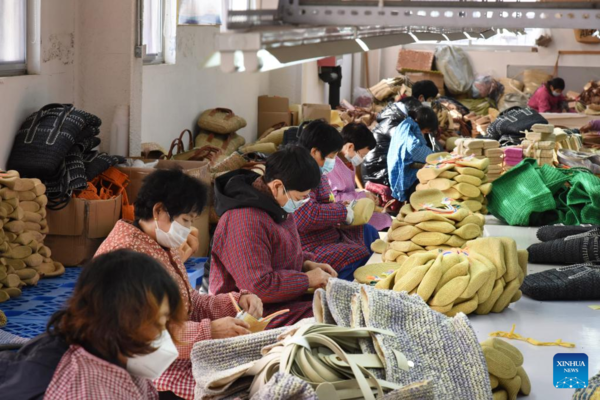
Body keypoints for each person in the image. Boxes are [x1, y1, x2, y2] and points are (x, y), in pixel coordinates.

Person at [96, 168, 263, 400]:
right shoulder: (125, 257)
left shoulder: (160, 245)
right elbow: (144, 336)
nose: (188, 229)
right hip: (145, 371)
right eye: (185, 220)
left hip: (176, 353)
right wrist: (210, 331)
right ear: (158, 210)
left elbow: (189, 300)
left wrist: (234, 302)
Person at [0, 250, 187, 400]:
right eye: (158, 323)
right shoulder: (82, 389)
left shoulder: (104, 351)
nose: (164, 336)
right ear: (120, 318)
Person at [210, 146, 336, 327]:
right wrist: (307, 279)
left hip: (281, 302)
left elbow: (281, 254)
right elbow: (259, 287)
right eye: (301, 197)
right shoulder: (244, 219)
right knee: (331, 316)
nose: (302, 203)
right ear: (277, 186)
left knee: (339, 302)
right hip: (252, 316)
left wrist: (306, 264)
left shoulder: (278, 205)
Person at [296, 120, 379, 281]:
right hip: (309, 244)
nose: (333, 161)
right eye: (332, 156)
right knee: (357, 255)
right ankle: (341, 291)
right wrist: (340, 211)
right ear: (314, 152)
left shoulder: (315, 172)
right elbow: (306, 217)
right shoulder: (300, 175)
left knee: (368, 231)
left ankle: (373, 275)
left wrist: (339, 209)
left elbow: (325, 202)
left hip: (327, 231)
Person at [326, 122, 392, 231]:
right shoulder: (330, 165)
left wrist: (364, 194)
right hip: (339, 214)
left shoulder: (349, 162)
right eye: (362, 155)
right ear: (350, 146)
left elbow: (347, 191)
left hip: (350, 208)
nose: (362, 158)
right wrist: (362, 196)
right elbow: (334, 199)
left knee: (385, 218)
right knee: (383, 222)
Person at [388, 106, 440, 202]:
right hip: (404, 174)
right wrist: (437, 158)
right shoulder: (409, 130)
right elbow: (414, 148)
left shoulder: (406, 124)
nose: (426, 134)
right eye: (426, 131)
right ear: (424, 126)